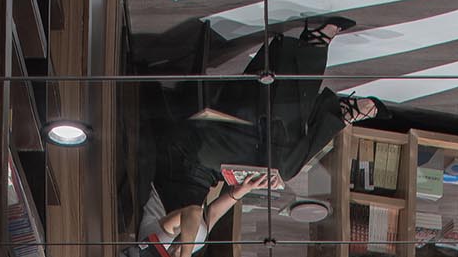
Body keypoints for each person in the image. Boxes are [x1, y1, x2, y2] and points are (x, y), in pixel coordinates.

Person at [153, 19, 379, 219]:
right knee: (278, 165)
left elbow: (191, 215)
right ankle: (314, 59)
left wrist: (181, 256)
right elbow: (210, 214)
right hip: (209, 169)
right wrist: (247, 186)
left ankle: (336, 110)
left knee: (279, 156)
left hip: (186, 154)